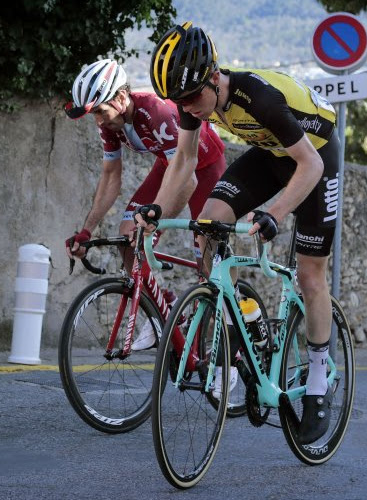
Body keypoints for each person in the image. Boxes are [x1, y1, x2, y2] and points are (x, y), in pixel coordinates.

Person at [136, 22, 341, 444]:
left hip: (316, 158)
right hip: (269, 154)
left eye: (193, 98)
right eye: (179, 101)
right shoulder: (193, 101)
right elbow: (183, 162)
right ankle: (244, 319)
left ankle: (319, 381)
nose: (188, 107)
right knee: (208, 227)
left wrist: (276, 213)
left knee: (309, 274)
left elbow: (311, 166)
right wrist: (157, 208)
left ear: (214, 76)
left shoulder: (257, 97)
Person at [63, 59, 227, 350]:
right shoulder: (110, 125)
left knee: (205, 255)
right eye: (94, 115)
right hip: (169, 165)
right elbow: (111, 176)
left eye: (101, 111)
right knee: (128, 239)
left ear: (121, 97)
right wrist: (86, 230)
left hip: (205, 169)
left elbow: (187, 181)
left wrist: (155, 224)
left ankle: (227, 351)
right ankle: (164, 310)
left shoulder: (156, 112)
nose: (99, 121)